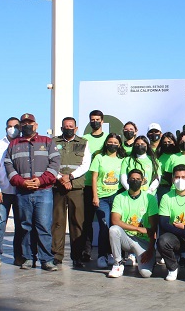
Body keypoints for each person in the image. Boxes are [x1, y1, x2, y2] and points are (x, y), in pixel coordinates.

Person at [4, 113, 60, 271]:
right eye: (24, 123)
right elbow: (8, 166)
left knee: (44, 226)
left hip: (44, 191)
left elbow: (55, 164)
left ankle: (46, 260)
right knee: (25, 227)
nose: (27, 126)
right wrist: (21, 182)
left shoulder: (47, 142)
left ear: (36, 125)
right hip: (23, 193)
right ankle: (28, 258)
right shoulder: (13, 144)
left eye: (30, 123)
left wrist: (41, 180)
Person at [52, 117, 92, 268]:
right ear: (61, 128)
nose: (68, 128)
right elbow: (51, 163)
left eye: (71, 126)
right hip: (58, 187)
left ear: (76, 128)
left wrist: (70, 177)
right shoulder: (53, 142)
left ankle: (77, 256)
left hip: (76, 188)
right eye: (65, 126)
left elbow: (85, 164)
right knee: (57, 222)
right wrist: (60, 178)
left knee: (77, 223)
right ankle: (57, 255)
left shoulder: (83, 143)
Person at [0, 117, 23, 268]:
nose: (13, 129)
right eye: (10, 126)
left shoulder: (23, 143)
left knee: (21, 225)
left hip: (20, 192)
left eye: (16, 126)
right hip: (3, 192)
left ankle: (19, 256)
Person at [107, 169, 158, 278]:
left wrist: (150, 250)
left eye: (138, 179)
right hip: (127, 238)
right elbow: (115, 220)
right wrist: (137, 228)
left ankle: (150, 260)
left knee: (146, 274)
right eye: (133, 179)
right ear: (128, 181)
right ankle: (118, 264)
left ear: (143, 181)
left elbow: (153, 228)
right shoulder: (119, 197)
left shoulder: (150, 199)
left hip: (143, 241)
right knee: (114, 229)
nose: (135, 181)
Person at [90, 133, 126, 268]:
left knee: (115, 227)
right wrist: (95, 196)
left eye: (115, 143)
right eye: (110, 142)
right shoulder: (99, 157)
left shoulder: (123, 159)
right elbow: (94, 178)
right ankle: (102, 255)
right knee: (104, 227)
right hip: (102, 198)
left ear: (119, 145)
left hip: (117, 197)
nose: (112, 145)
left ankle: (113, 254)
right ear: (106, 143)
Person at [82, 109, 106, 262]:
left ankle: (107, 253)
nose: (95, 122)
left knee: (105, 222)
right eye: (92, 119)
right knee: (86, 221)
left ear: (102, 121)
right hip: (86, 185)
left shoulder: (108, 139)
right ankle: (86, 251)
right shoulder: (84, 139)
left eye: (97, 119)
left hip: (104, 187)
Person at [155, 132, 179, 203]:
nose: (167, 144)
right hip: (162, 188)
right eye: (164, 142)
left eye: (169, 142)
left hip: (176, 187)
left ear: (174, 142)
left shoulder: (178, 155)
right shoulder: (158, 156)